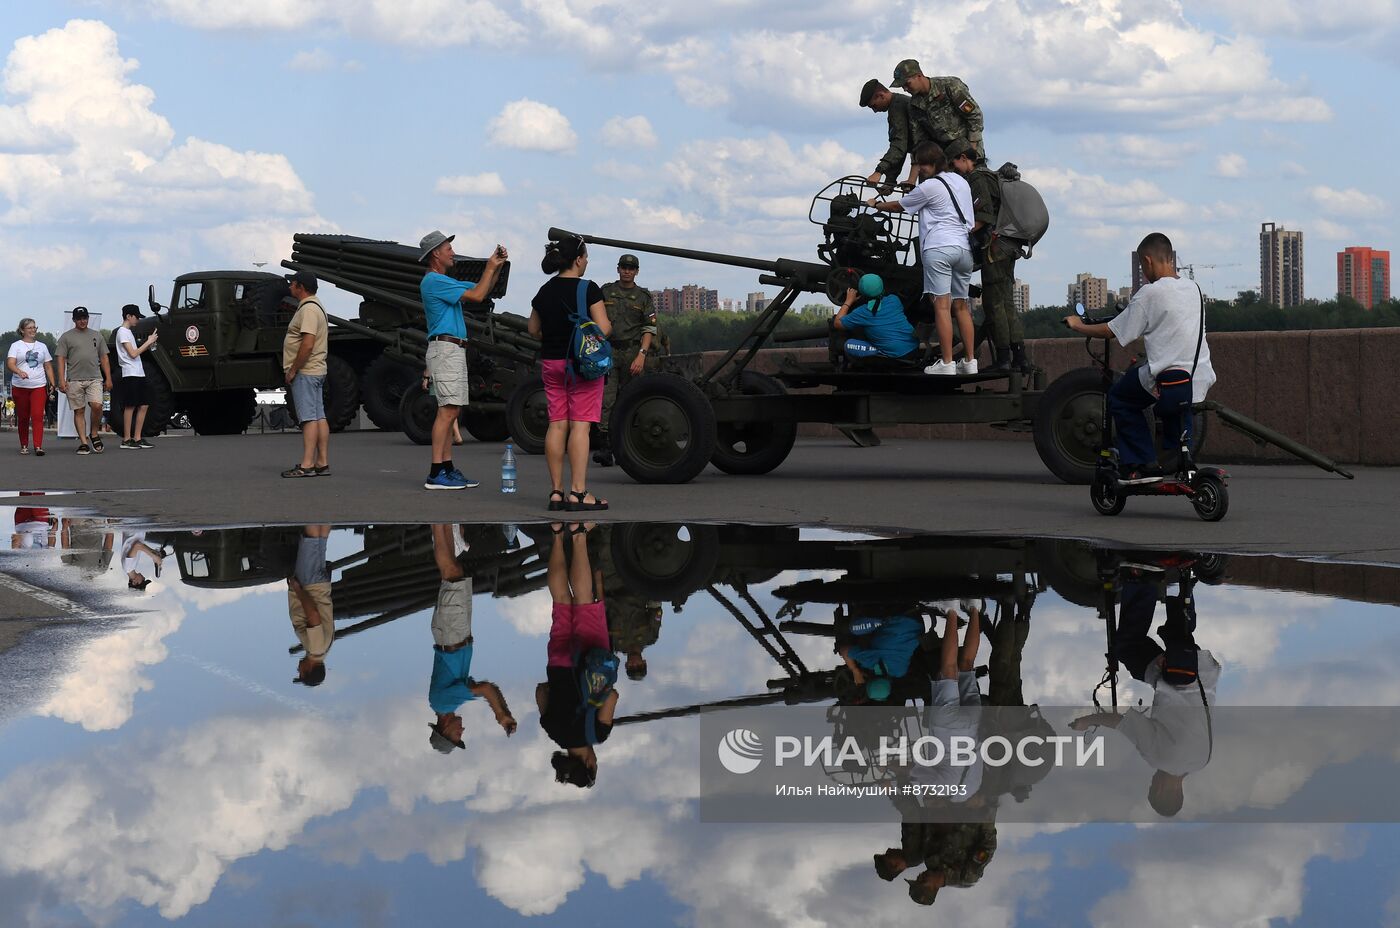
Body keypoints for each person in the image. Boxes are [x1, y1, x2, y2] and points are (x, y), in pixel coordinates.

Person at [1064, 233, 1216, 484]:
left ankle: (1141, 463)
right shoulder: (1194, 289)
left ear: (1147, 260)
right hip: (1198, 377)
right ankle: (1181, 456)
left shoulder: (1149, 294)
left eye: (1143, 267)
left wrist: (1078, 325)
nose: (1144, 273)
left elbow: (1111, 331)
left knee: (1120, 398)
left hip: (1166, 377)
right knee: (1179, 402)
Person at [1071, 569, 1220, 817]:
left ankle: (1184, 583)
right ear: (1162, 791)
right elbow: (1123, 721)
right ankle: (1142, 579)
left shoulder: (1202, 761)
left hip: (1203, 671)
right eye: (1152, 786)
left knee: (1179, 635)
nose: (1152, 780)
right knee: (1128, 646)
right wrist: (1088, 721)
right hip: (1175, 678)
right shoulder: (1161, 759)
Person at [867, 142, 978, 375]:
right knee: (961, 307)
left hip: (939, 248)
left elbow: (899, 205)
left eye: (921, 165)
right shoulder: (961, 182)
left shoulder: (929, 187)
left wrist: (875, 204)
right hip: (963, 249)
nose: (920, 170)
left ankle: (947, 363)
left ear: (932, 163)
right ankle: (970, 361)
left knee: (942, 306)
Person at [417, 230, 509, 491]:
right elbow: (478, 295)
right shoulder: (435, 281)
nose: (453, 253)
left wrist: (495, 266)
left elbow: (483, 289)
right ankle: (437, 472)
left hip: (450, 349)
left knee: (451, 410)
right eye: (448, 249)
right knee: (447, 412)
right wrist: (490, 266)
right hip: (446, 349)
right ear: (436, 253)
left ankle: (446, 468)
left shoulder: (443, 281)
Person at [528, 234, 611, 512]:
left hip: (552, 364)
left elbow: (532, 329)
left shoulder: (544, 291)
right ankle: (578, 493)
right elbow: (605, 329)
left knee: (557, 424)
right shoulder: (588, 289)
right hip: (581, 367)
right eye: (585, 257)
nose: (586, 262)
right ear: (577, 260)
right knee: (580, 426)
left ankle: (555, 492)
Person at [537, 522, 616, 787]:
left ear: (590, 764)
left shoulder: (598, 733)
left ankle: (579, 534)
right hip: (558, 663)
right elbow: (540, 691)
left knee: (584, 601)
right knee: (561, 602)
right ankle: (558, 535)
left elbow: (612, 696)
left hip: (589, 658)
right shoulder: (553, 732)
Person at [427, 523, 517, 753]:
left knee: (451, 574)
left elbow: (486, 688)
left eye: (456, 736)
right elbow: (487, 687)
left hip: (451, 635)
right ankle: (444, 522)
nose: (461, 732)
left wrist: (502, 716)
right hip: (456, 634)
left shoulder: (442, 703)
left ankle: (437, 523)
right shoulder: (450, 702)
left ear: (444, 729)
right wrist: (503, 713)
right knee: (454, 572)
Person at [946, 139, 1026, 373]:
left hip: (994, 248)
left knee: (994, 305)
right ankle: (1019, 356)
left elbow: (985, 216)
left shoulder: (978, 178)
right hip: (1007, 247)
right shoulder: (991, 176)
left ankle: (1003, 359)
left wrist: (963, 230)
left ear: (963, 158)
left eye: (954, 165)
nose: (954, 171)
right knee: (1007, 303)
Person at [594, 253, 658, 467]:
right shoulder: (606, 292)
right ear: (618, 268)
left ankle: (631, 446)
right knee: (607, 399)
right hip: (609, 351)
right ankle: (605, 448)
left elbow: (649, 328)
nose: (627, 271)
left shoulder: (643, 297)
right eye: (623, 267)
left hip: (633, 352)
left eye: (631, 268)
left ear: (637, 271)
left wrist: (642, 353)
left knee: (632, 399)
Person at [889, 59, 985, 184]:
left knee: (977, 190)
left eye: (907, 84)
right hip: (944, 162)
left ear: (919, 76)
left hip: (968, 154)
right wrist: (912, 180)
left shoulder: (950, 86)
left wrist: (970, 153)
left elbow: (975, 116)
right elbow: (920, 143)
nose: (905, 89)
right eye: (902, 86)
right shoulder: (914, 105)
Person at [280, 271, 331, 478]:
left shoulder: (308, 310)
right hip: (317, 370)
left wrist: (293, 369)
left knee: (308, 418)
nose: (290, 286)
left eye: (292, 283)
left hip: (306, 371)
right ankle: (322, 462)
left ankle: (307, 464)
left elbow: (307, 343)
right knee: (319, 416)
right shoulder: (317, 306)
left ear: (301, 287)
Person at [55, 307, 112, 455]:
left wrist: (109, 378)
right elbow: (60, 359)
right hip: (74, 379)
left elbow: (104, 357)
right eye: (79, 318)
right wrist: (61, 379)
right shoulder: (66, 337)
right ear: (74, 320)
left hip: (95, 377)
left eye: (85, 318)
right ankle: (83, 442)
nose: (83, 321)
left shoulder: (97, 335)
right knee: (79, 410)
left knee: (97, 405)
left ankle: (94, 433)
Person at [832, 274, 920, 367]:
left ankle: (873, 361)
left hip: (897, 356)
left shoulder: (863, 312)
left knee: (848, 345)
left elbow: (837, 323)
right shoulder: (894, 300)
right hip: (913, 348)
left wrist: (849, 300)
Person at [287, 524, 333, 685]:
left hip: (319, 585)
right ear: (308, 671)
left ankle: (326, 507)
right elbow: (313, 616)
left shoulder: (325, 649)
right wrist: (298, 589)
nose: (298, 670)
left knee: (320, 541)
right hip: (310, 585)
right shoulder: (315, 648)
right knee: (311, 539)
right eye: (300, 674)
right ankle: (312, 507)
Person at [7, 317, 54, 456]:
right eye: (30, 328)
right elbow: (10, 363)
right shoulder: (16, 346)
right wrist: (19, 371)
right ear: (22, 330)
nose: (33, 330)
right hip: (20, 386)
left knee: (38, 415)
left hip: (38, 385)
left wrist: (52, 382)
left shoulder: (42, 346)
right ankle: (24, 445)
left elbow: (48, 366)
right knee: (23, 417)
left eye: (34, 327)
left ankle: (38, 446)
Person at [114, 304, 158, 449]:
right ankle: (126, 439)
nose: (138, 320)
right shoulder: (122, 332)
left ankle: (137, 438)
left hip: (138, 372)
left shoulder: (128, 332)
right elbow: (133, 353)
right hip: (130, 372)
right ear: (128, 316)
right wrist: (148, 342)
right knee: (130, 405)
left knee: (144, 405)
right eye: (136, 317)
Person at [860, 79, 913, 189]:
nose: (875, 111)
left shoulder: (897, 107)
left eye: (874, 106)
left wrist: (878, 172)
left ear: (881, 95)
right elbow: (902, 146)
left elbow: (899, 146)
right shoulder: (899, 103)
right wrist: (890, 181)